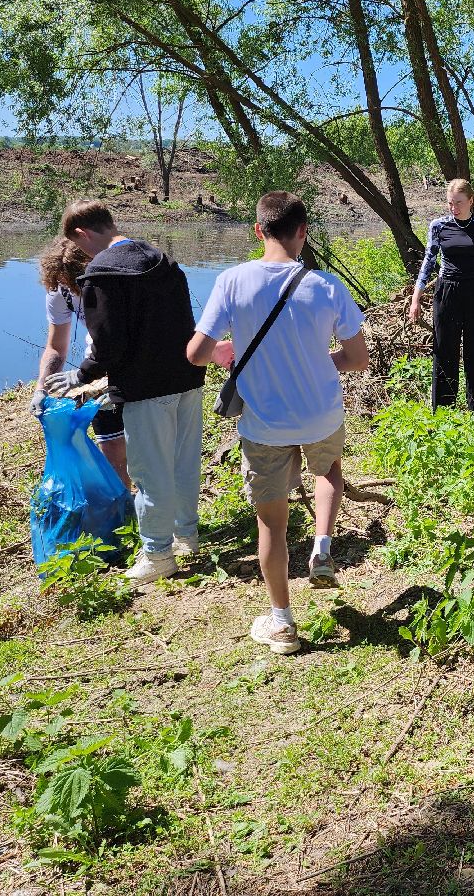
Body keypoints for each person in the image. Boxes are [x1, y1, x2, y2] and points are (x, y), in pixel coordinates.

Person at [188, 192, 369, 654]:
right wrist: (318, 361)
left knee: (271, 525)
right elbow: (357, 359)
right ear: (303, 232)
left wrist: (224, 353)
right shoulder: (327, 286)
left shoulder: (232, 281)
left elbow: (196, 353)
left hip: (264, 424)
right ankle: (322, 546)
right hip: (320, 414)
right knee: (328, 470)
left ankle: (283, 624)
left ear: (258, 230)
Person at [43, 201, 206, 585]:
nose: (82, 253)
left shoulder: (102, 273)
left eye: (78, 245)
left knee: (149, 472)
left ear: (82, 233)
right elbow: (184, 320)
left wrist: (80, 376)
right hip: (187, 376)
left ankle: (158, 554)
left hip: (145, 386)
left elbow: (108, 345)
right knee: (183, 462)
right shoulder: (161, 259)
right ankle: (186, 535)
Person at [30, 237, 131, 489]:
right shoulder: (60, 290)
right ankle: (124, 506)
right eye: (64, 282)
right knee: (112, 452)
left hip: (134, 369)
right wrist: (41, 388)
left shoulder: (113, 280)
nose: (71, 288)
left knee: (143, 453)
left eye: (75, 281)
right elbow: (56, 347)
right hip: (95, 372)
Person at [408, 179, 474, 420]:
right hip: (447, 291)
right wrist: (416, 299)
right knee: (445, 350)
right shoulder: (438, 226)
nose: (454, 208)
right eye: (450, 203)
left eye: (459, 203)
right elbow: (428, 263)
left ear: (471, 201)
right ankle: (444, 412)